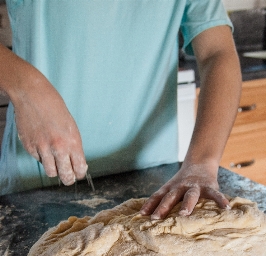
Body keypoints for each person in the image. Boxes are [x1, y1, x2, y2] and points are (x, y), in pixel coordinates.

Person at [0, 0, 241, 220]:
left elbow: (216, 52)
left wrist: (201, 163)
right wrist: (27, 87)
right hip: (37, 182)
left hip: (155, 181)